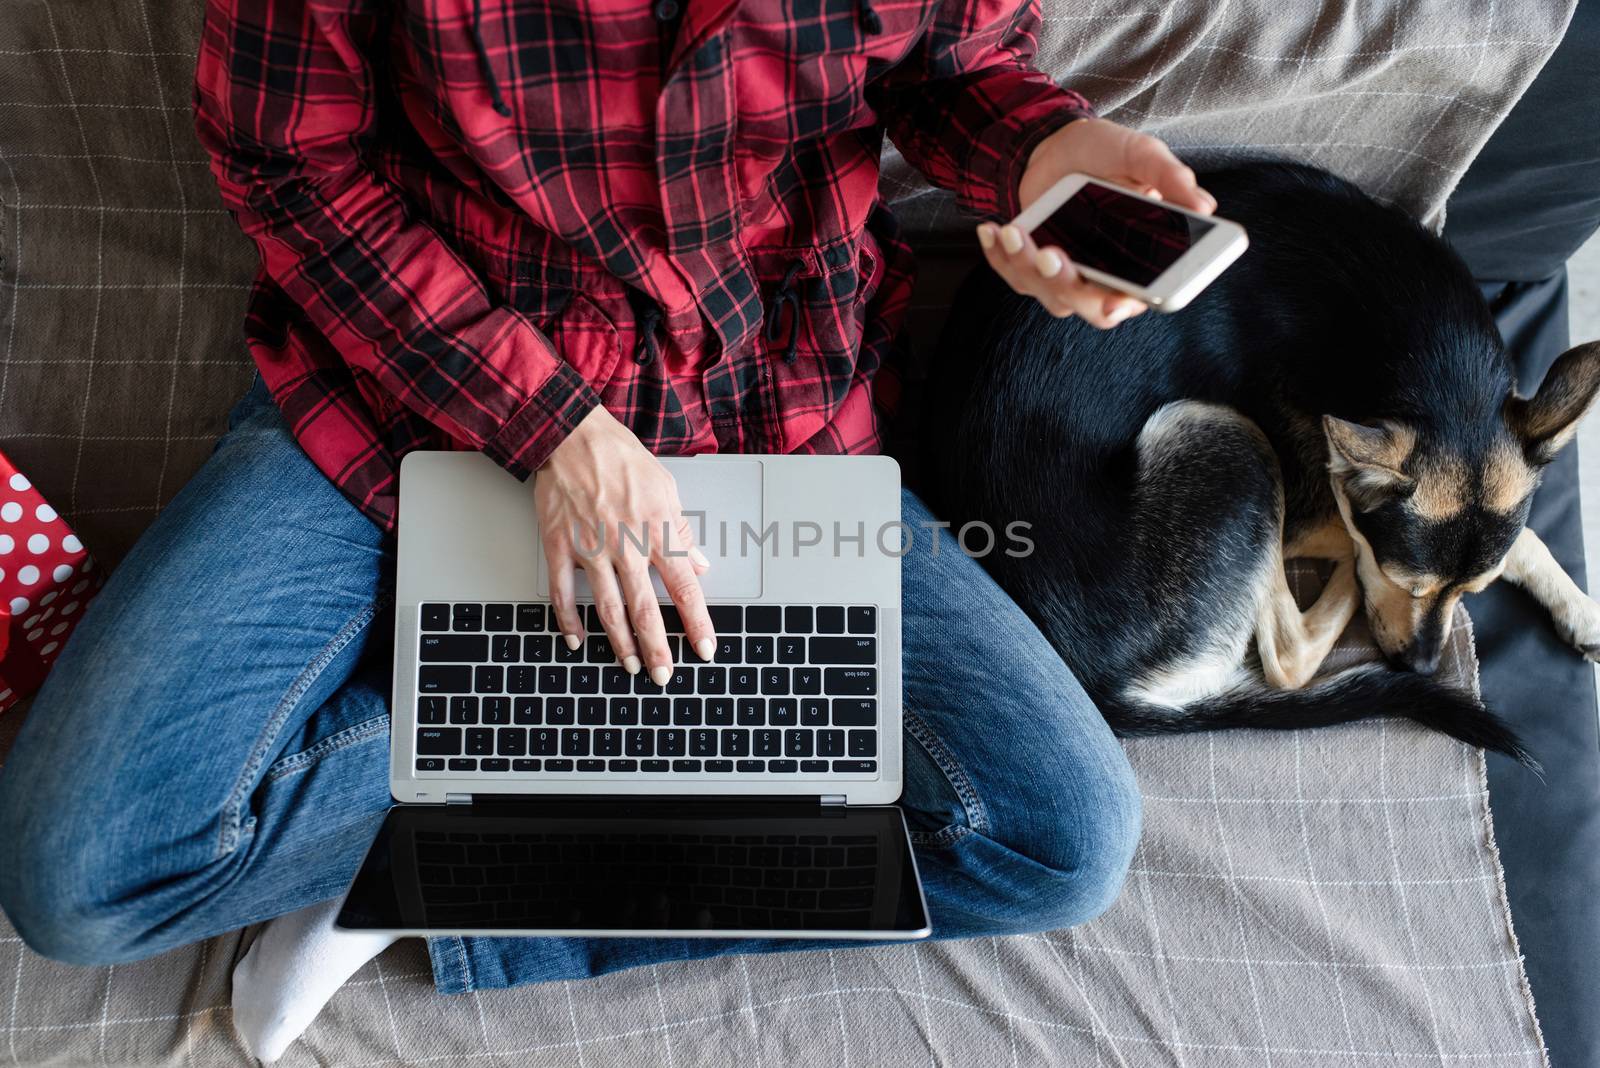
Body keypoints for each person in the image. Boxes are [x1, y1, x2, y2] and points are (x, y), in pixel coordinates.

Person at [0, 0, 1212, 996]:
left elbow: (955, 68)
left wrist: (1045, 159)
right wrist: (551, 427)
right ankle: (504, 756)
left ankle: (452, 895)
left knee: (1061, 840)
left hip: (768, 410)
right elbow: (286, 163)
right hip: (404, 387)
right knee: (77, 877)